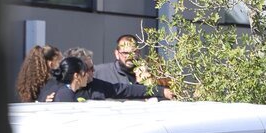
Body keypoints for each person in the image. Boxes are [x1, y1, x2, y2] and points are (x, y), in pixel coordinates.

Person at [39, 47, 172, 102]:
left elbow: (124, 90)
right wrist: (46, 102)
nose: (93, 71)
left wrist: (161, 91)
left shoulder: (96, 86)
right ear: (76, 73)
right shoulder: (57, 91)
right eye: (88, 69)